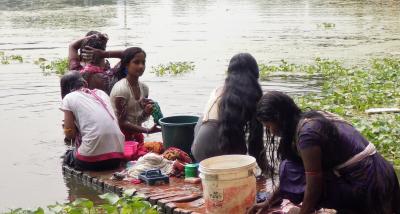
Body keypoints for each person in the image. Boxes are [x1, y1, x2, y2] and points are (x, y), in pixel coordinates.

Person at [248, 91, 400, 214]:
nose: (271, 132)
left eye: (268, 126)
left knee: (290, 169)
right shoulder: (310, 119)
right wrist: (268, 203)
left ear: (279, 118)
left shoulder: (307, 135)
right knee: (291, 165)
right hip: (381, 176)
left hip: (371, 184)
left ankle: (356, 207)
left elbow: (314, 186)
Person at [191, 53, 265, 167]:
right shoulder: (252, 94)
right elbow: (255, 140)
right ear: (254, 73)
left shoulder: (218, 90)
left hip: (197, 150)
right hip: (219, 149)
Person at [60, 71, 125, 171]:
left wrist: (67, 129)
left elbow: (70, 134)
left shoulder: (68, 98)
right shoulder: (101, 94)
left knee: (67, 157)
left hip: (91, 161)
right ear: (85, 83)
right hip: (117, 157)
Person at [110, 47, 161, 143]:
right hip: (120, 137)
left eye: (143, 62)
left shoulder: (144, 88)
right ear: (126, 64)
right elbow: (122, 123)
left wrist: (146, 112)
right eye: (136, 62)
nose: (141, 66)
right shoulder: (121, 89)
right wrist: (148, 131)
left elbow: (138, 120)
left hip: (136, 135)